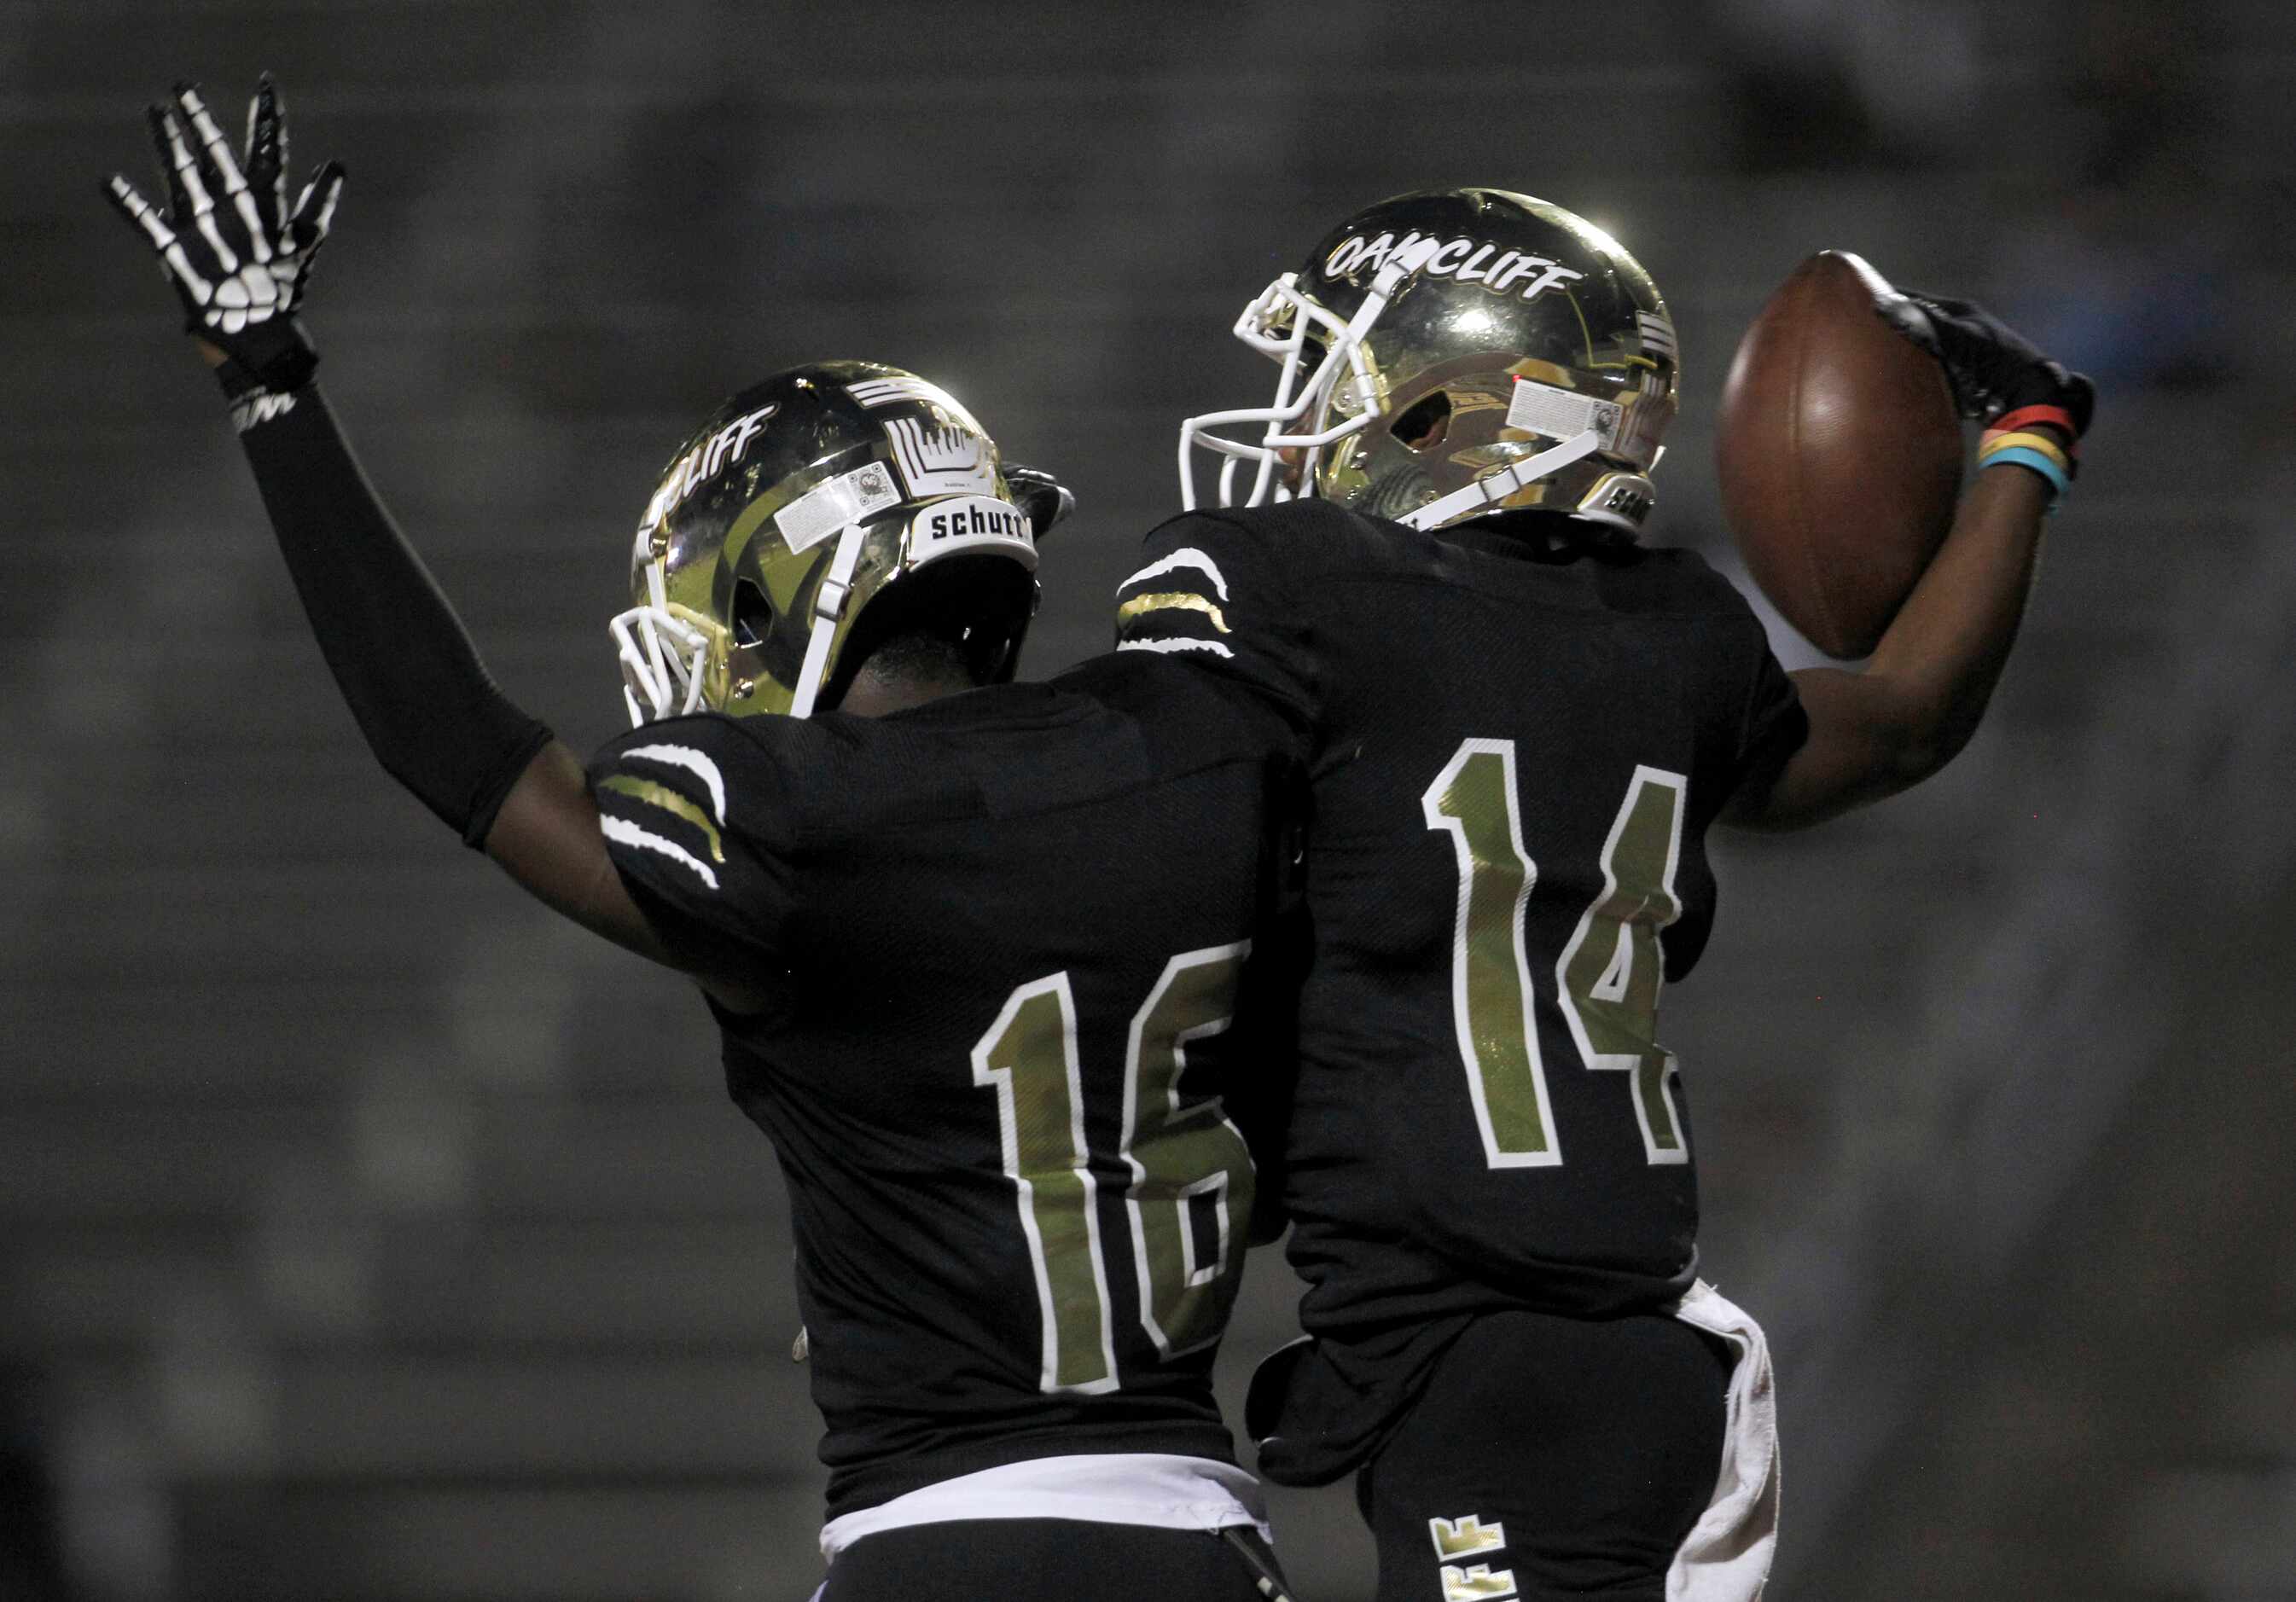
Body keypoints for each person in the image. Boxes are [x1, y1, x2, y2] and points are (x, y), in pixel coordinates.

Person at [104, 79, 1305, 1602]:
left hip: (946, 1539)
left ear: (773, 593)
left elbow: (456, 749)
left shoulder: (799, 821)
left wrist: (268, 381)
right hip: (1206, 1538)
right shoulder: (1186, 745)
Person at [1122, 187, 2092, 1601]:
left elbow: (1116, 842)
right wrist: (2029, 441)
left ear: (1470, 406)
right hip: (1641, 1352)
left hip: (1481, 1354)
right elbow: (1903, 716)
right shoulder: (1675, 630)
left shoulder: (1294, 593)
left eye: (1348, 377)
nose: (1306, 420)